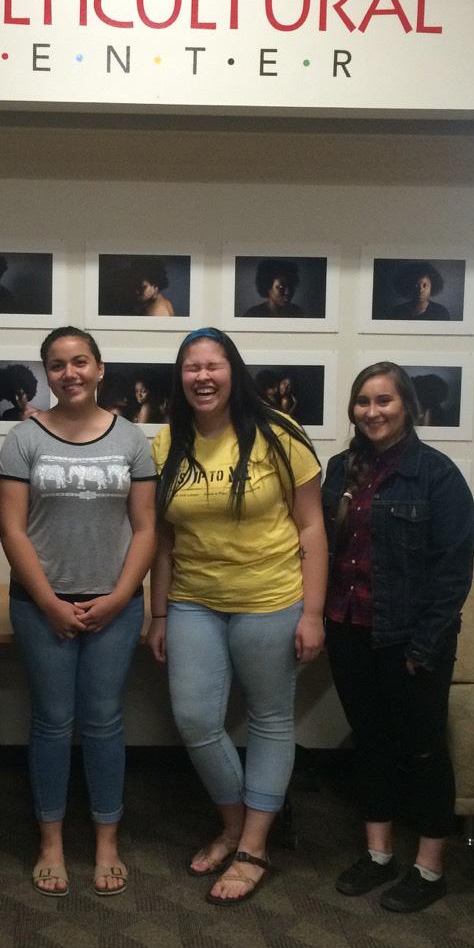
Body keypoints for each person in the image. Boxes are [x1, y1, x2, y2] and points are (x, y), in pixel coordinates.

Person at [148, 327, 327, 905]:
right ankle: (233, 825)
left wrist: (315, 613)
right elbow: (163, 540)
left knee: (272, 718)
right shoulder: (165, 442)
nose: (202, 376)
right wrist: (158, 614)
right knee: (196, 719)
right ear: (181, 378)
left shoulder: (279, 434)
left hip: (272, 599)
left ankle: (253, 844)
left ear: (233, 371)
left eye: (213, 365)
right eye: (191, 367)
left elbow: (312, 528)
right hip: (194, 601)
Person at [0, 327, 157, 897]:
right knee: (51, 721)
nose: (70, 373)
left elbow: (145, 528)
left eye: (80, 362)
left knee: (105, 721)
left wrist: (119, 598)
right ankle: (51, 842)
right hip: (41, 605)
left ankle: (107, 841)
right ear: (46, 373)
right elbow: (11, 528)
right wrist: (48, 602)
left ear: (99, 368)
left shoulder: (133, 439)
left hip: (114, 604)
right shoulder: (23, 439)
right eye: (58, 365)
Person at [322, 362, 474, 913]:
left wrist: (424, 647)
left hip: (412, 640)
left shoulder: (437, 475)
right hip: (347, 629)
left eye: (384, 400)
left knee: (424, 749)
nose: (372, 411)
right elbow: (324, 551)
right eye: (363, 401)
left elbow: (453, 572)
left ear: (406, 405)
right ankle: (379, 855)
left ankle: (430, 867)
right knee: (371, 743)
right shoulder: (340, 470)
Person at [384, 261, 450, 321]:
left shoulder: (441, 313)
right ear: (408, 286)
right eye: (416, 285)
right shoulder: (396, 312)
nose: (420, 290)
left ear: (432, 287)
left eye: (425, 285)